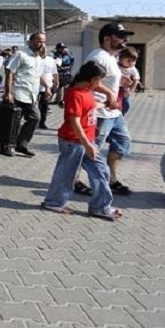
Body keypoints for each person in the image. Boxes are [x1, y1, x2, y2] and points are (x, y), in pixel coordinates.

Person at [41, 61, 123, 221]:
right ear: (92, 79)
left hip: (86, 142)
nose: (100, 85)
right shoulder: (74, 94)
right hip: (74, 142)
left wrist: (106, 104)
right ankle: (54, 202)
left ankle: (100, 207)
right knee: (66, 175)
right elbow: (74, 121)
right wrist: (87, 145)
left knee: (102, 171)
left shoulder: (86, 91)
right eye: (100, 80)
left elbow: (90, 106)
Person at [75, 23, 135, 196]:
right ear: (107, 38)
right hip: (100, 112)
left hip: (114, 113)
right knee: (90, 150)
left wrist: (121, 80)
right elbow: (88, 80)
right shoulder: (98, 56)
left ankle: (111, 179)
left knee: (122, 143)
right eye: (121, 36)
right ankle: (74, 180)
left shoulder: (112, 57)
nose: (126, 40)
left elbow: (105, 77)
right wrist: (109, 92)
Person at [1, 32, 46, 157]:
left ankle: (21, 144)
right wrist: (8, 93)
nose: (42, 44)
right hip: (18, 93)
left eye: (43, 41)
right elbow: (9, 72)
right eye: (39, 41)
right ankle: (7, 146)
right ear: (31, 42)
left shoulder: (38, 59)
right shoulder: (21, 54)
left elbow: (38, 75)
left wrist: (47, 87)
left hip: (31, 95)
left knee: (35, 118)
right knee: (13, 121)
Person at [38, 48, 59, 130]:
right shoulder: (35, 59)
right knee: (34, 105)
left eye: (45, 49)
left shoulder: (51, 60)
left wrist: (57, 82)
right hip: (35, 86)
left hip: (47, 87)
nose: (43, 50)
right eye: (42, 49)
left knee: (45, 105)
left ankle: (42, 122)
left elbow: (55, 72)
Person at [118, 46, 141, 115]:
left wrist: (131, 91)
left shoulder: (133, 69)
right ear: (120, 59)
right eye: (128, 61)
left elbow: (136, 80)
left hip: (125, 89)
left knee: (127, 104)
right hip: (115, 88)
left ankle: (121, 115)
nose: (131, 63)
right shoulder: (115, 65)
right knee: (115, 103)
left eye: (134, 61)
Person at [54, 43, 75, 107]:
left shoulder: (67, 55)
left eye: (62, 48)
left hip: (66, 73)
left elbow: (69, 63)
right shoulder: (56, 54)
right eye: (60, 48)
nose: (62, 49)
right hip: (59, 73)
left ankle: (65, 100)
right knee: (59, 88)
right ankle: (58, 100)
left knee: (66, 88)